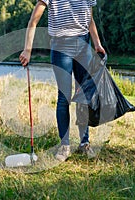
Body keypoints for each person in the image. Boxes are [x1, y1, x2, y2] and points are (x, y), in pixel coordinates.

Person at [19, 0, 106, 161]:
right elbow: (34, 20)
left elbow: (89, 19)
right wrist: (27, 49)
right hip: (61, 47)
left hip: (83, 45)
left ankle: (84, 143)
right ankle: (64, 145)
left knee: (84, 96)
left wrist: (97, 44)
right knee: (64, 97)